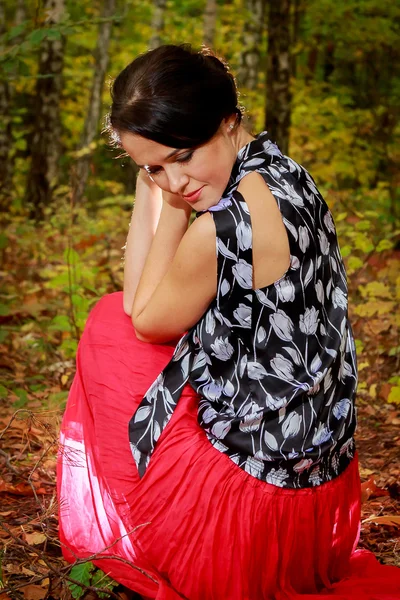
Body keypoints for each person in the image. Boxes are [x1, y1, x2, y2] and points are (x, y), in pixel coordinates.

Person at [57, 44, 400, 600]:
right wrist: (165, 175)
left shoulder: (220, 228)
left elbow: (141, 316)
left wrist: (166, 206)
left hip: (248, 511)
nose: (177, 182)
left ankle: (162, 534)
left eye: (184, 155)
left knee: (108, 328)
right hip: (318, 488)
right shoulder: (289, 175)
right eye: (153, 167)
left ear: (228, 121)